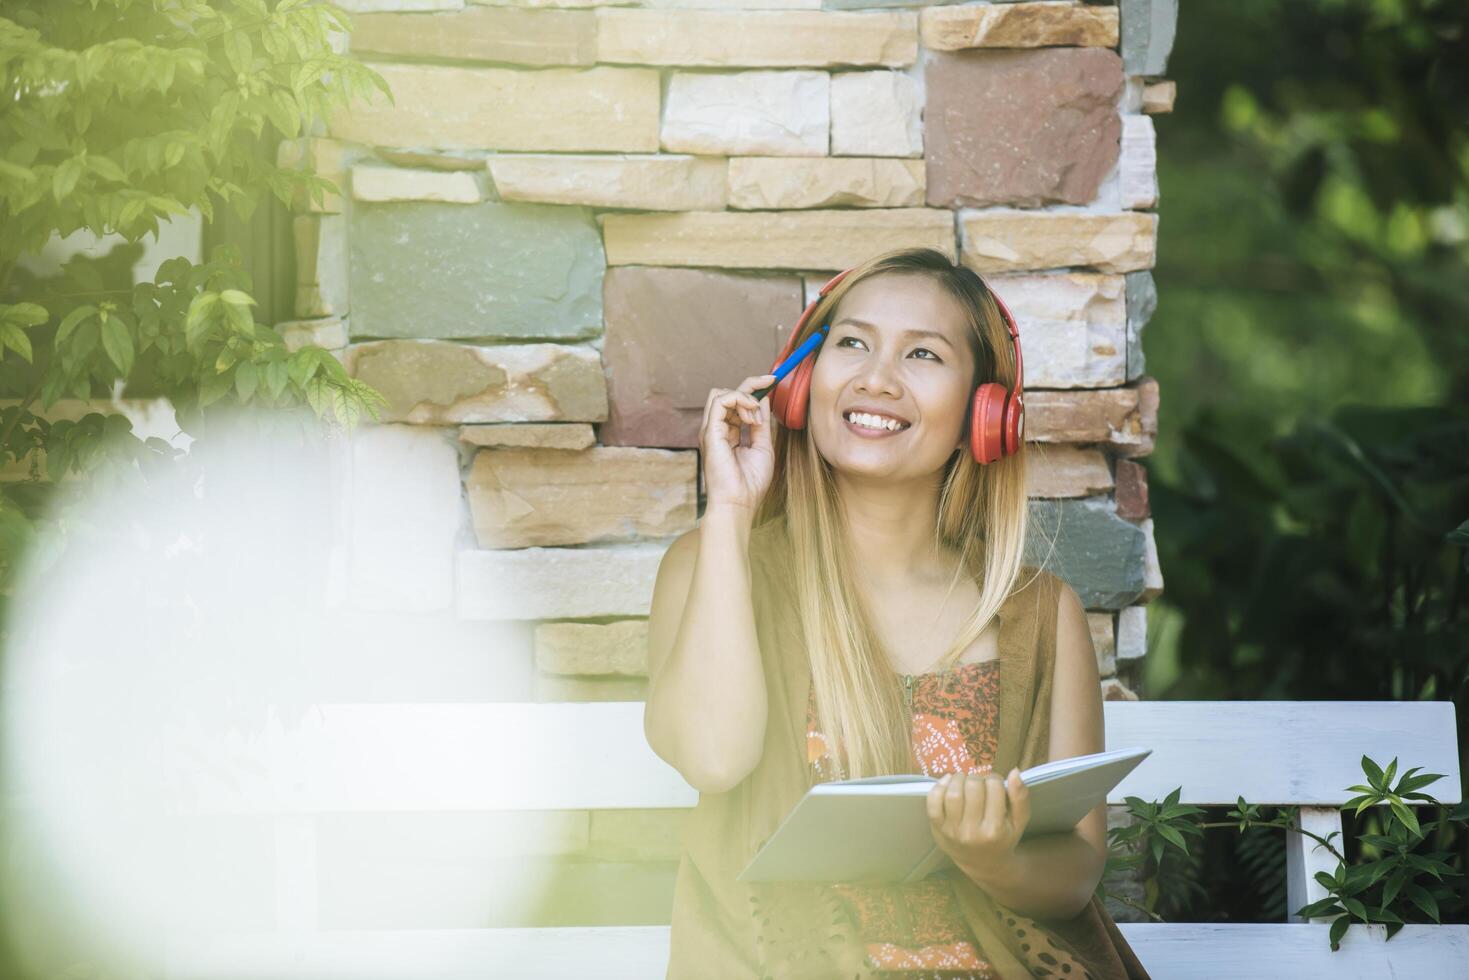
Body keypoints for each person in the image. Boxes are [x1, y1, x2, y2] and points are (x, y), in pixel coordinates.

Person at [645, 247, 1152, 979]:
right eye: (851, 342)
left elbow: (1072, 874)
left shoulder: (1039, 614)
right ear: (799, 386)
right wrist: (727, 509)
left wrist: (995, 858)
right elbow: (711, 758)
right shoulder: (712, 565)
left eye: (922, 353)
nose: (875, 378)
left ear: (984, 415)